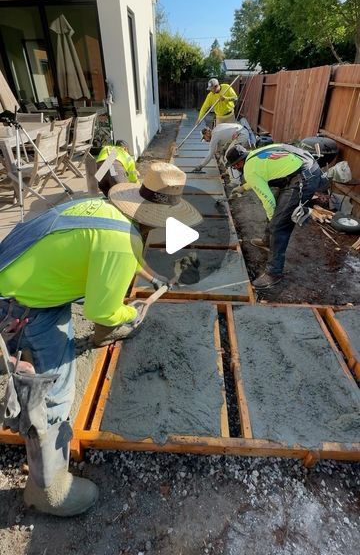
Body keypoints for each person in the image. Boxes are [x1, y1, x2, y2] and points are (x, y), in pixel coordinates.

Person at [0, 162, 202, 517]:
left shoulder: (101, 209)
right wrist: (132, 313)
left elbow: (120, 250)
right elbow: (101, 312)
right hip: (23, 307)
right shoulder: (120, 243)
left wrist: (151, 277)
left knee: (46, 371)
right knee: (51, 393)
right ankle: (48, 491)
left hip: (20, 280)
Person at [225, 142, 324, 289]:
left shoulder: (250, 170)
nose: (235, 169)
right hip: (303, 166)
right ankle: (267, 241)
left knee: (279, 225)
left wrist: (274, 222)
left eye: (234, 166)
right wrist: (243, 187)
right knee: (276, 213)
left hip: (304, 178)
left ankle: (274, 273)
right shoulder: (254, 156)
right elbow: (262, 175)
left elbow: (268, 200)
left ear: (238, 164)